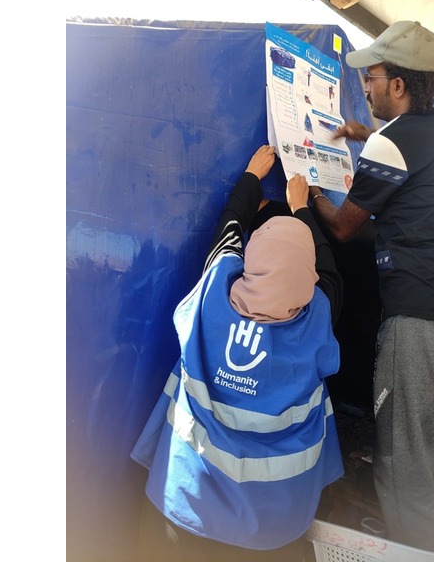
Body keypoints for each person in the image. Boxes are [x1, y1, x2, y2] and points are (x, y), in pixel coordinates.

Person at [306, 21, 434, 559]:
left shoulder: (393, 143)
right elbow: (415, 160)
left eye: (374, 77)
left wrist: (311, 188)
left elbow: (342, 227)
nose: (365, 88)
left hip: (421, 332)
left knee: (405, 480)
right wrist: (368, 136)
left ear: (400, 85)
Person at [131, 145, 344, 561]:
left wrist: (250, 177)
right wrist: (302, 209)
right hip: (271, 529)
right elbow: (331, 274)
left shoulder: (212, 295)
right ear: (311, 275)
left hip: (182, 507)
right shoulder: (317, 318)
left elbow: (227, 233)